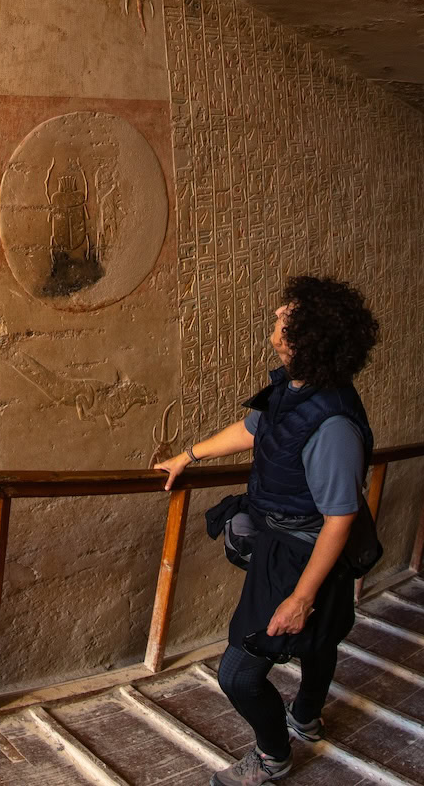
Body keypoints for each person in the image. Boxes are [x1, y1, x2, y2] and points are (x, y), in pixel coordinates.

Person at [154, 276, 379, 785]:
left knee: (238, 673)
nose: (277, 313)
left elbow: (340, 517)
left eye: (287, 314)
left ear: (307, 337)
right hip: (285, 542)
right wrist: (186, 457)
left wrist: (300, 596)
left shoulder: (333, 427)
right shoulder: (298, 388)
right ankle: (306, 716)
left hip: (303, 555)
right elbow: (253, 429)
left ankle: (274, 754)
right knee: (322, 639)